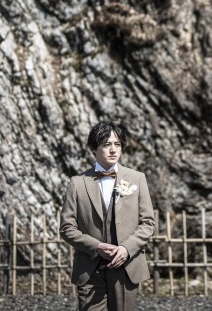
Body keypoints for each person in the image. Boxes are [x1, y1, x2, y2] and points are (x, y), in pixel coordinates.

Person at [60, 122, 155, 311]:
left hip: (126, 266)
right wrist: (96, 246)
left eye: (117, 144)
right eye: (106, 144)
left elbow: (148, 223)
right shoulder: (77, 183)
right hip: (89, 268)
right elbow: (66, 228)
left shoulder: (137, 178)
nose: (113, 149)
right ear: (93, 148)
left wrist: (127, 249)